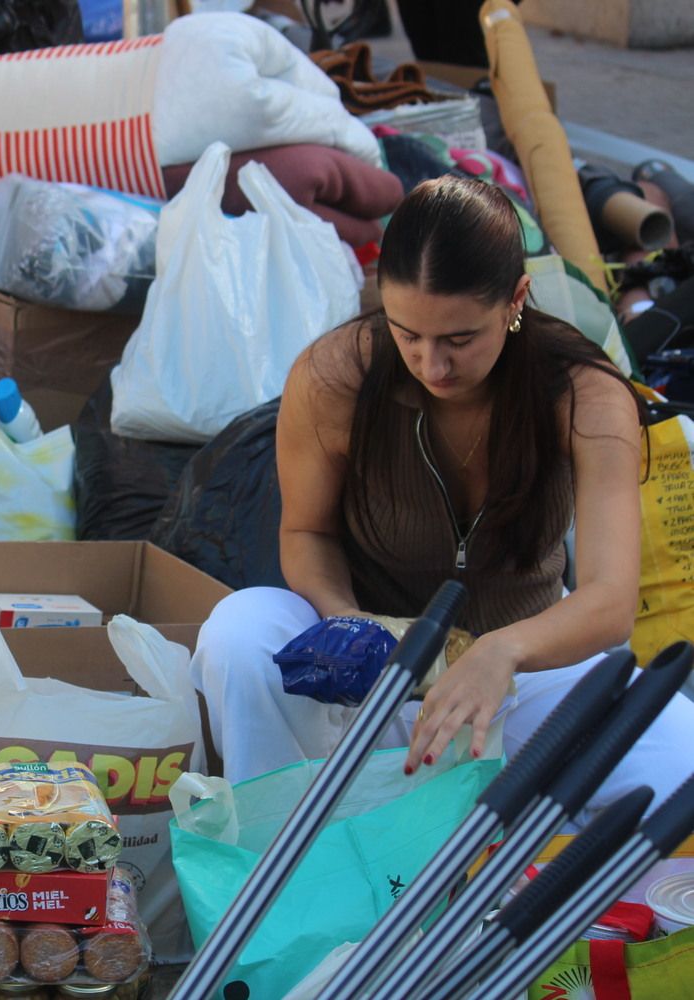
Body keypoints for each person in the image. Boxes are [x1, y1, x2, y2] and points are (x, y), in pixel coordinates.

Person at [189, 175, 693, 822]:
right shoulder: (334, 376)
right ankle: (278, 854)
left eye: (460, 340)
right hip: (369, 670)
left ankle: (499, 856)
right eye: (408, 335)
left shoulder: (583, 393)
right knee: (240, 633)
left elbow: (610, 603)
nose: (432, 366)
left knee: (683, 765)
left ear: (516, 300)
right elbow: (306, 534)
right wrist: (348, 621)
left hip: (519, 671)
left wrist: (500, 652)